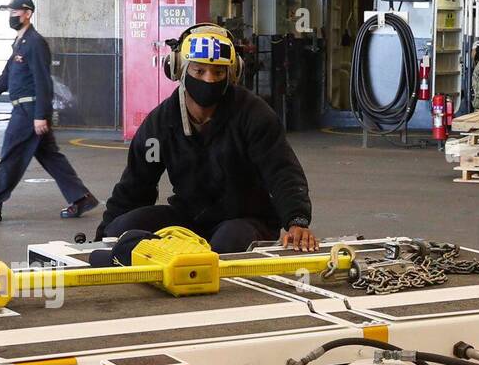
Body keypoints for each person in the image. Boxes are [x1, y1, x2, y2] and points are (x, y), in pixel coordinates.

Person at [96, 23, 317, 252]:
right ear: (178, 69)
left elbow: (281, 171)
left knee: (225, 246)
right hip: (189, 217)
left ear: (232, 73)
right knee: (119, 230)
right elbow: (135, 185)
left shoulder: (254, 114)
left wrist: (296, 220)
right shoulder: (160, 124)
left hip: (246, 220)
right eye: (199, 71)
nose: (209, 79)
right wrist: (103, 238)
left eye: (218, 72)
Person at [0, 0, 98, 222]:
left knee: (10, 157)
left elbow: (43, 81)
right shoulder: (20, 43)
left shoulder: (35, 43)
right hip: (26, 110)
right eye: (9, 12)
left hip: (28, 111)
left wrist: (41, 115)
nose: (11, 16)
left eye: (14, 12)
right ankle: (81, 198)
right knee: (51, 157)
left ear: (27, 13)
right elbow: (8, 75)